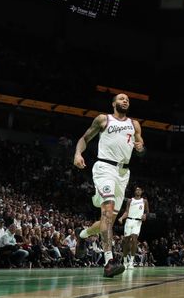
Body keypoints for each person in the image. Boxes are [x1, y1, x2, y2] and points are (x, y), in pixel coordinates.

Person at [73, 93, 145, 277]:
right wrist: (77, 154)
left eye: (127, 99)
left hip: (123, 173)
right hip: (105, 167)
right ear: (114, 104)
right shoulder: (103, 119)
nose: (125, 100)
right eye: (121, 98)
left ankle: (82, 234)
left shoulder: (134, 124)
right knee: (107, 211)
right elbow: (84, 138)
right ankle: (109, 262)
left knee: (109, 221)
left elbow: (141, 147)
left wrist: (140, 148)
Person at [117, 186, 149, 269]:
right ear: (134, 191)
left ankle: (131, 262)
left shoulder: (144, 201)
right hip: (128, 221)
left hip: (137, 222)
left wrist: (145, 215)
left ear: (142, 191)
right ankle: (125, 261)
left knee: (135, 240)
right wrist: (121, 218)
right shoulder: (130, 200)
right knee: (126, 241)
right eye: (137, 190)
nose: (138, 191)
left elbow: (147, 211)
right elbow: (126, 212)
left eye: (139, 190)